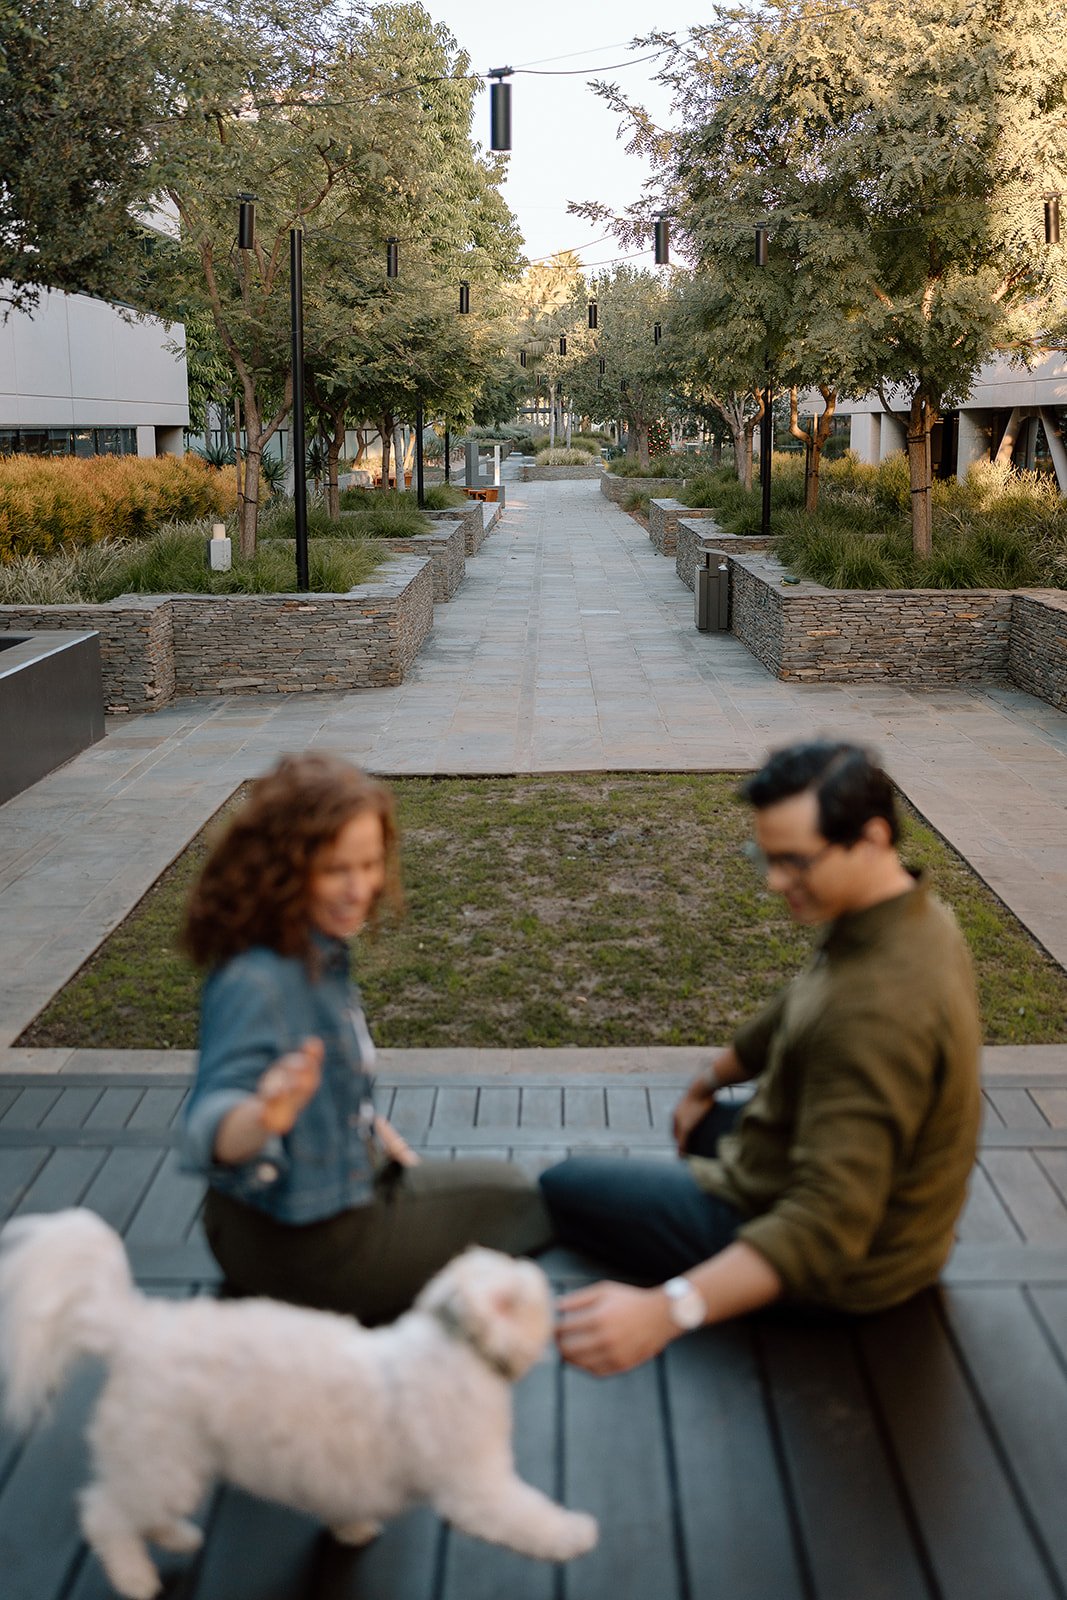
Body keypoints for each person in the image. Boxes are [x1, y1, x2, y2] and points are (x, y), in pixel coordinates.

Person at [541, 742, 982, 1376]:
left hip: (849, 1272)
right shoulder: (909, 915)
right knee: (705, 1130)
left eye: (795, 862)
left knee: (564, 1185)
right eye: (766, 858)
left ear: (871, 838)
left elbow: (825, 1225)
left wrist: (663, 1312)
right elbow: (797, 1005)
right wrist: (708, 1081)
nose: (775, 882)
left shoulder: (876, 1014)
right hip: (900, 1227)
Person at [180, 751, 551, 1323]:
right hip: (307, 1251)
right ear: (285, 866)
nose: (360, 889)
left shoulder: (307, 947)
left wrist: (370, 1131)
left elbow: (331, 1082)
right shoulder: (259, 981)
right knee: (520, 1197)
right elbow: (210, 1121)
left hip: (267, 1226)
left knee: (502, 1192)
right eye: (336, 870)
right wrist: (263, 1115)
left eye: (371, 864)